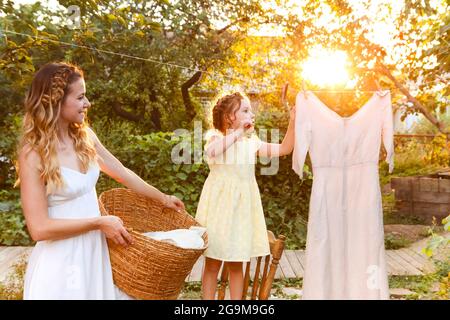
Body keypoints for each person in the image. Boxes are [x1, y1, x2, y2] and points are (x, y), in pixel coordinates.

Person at [15, 62, 185, 299]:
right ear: (55, 100)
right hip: (61, 262)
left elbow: (122, 172)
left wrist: (163, 198)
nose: (88, 104)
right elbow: (39, 228)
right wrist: (98, 223)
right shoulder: (33, 153)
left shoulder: (85, 137)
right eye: (81, 97)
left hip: (94, 254)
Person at [195, 92, 295, 299]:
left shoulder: (252, 142)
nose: (252, 114)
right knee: (212, 262)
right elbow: (213, 152)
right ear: (229, 117)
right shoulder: (216, 137)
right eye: (246, 110)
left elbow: (285, 148)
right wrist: (239, 132)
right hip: (219, 209)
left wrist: (294, 122)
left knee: (237, 263)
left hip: (241, 210)